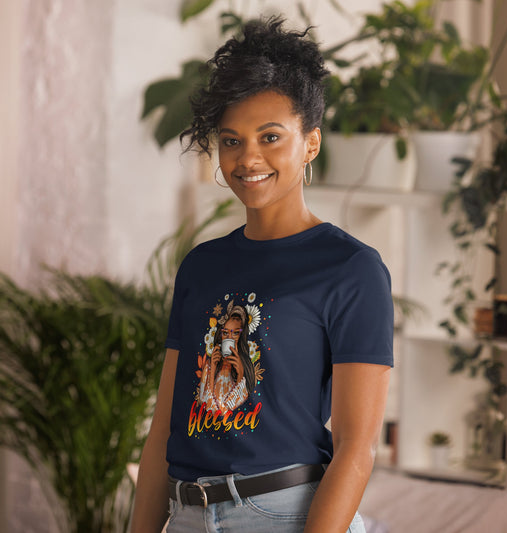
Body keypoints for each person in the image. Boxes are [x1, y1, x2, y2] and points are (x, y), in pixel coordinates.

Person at [130, 16, 393, 533]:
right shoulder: (202, 265)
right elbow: (164, 429)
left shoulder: (351, 268)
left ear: (311, 143)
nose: (248, 158)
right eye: (231, 141)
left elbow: (356, 447)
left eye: (270, 137)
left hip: (286, 515)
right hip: (187, 515)